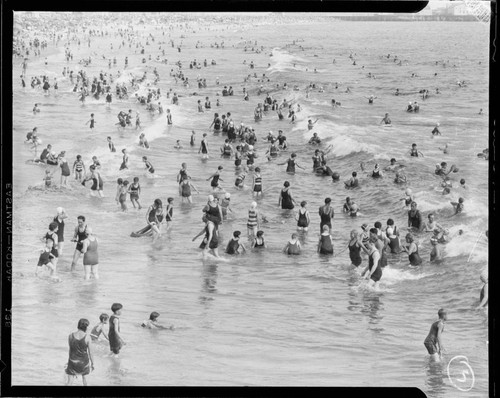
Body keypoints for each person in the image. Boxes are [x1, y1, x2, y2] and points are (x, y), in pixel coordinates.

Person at [65, 319, 94, 386]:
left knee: (69, 382)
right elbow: (91, 353)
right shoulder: (88, 337)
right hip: (84, 363)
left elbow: (71, 350)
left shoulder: (70, 336)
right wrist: (93, 363)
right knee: (85, 381)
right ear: (85, 327)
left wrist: (69, 361)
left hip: (72, 361)